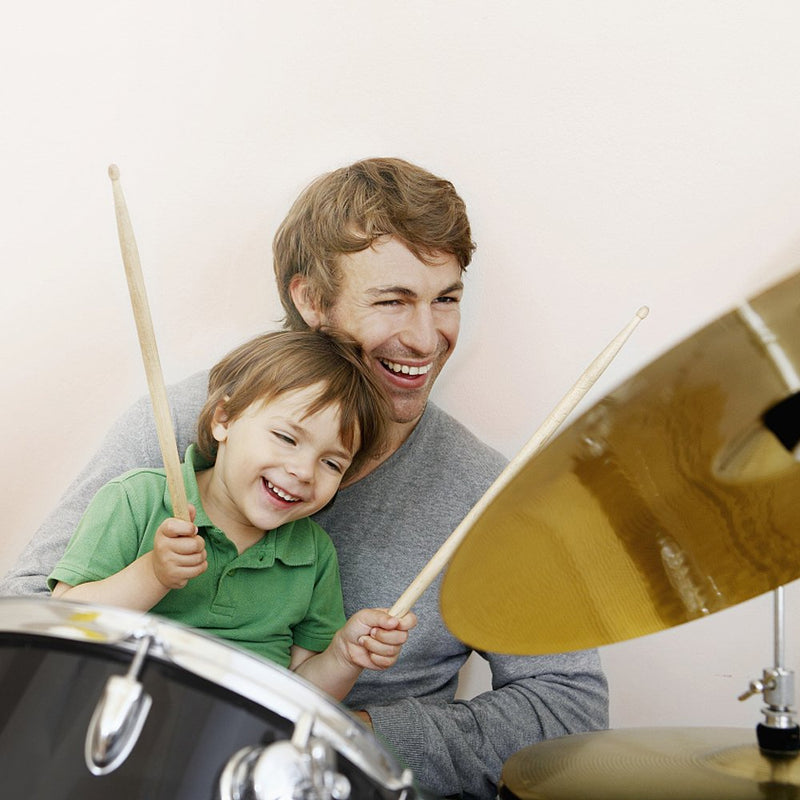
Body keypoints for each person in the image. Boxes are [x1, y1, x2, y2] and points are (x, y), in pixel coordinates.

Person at [2, 157, 609, 799]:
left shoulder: (488, 492)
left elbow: (568, 706)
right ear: (311, 300)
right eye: (393, 301)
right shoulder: (183, 419)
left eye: (446, 299)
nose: (427, 338)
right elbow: (26, 615)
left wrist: (348, 737)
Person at [48, 329, 416, 701]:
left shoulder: (314, 555)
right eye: (287, 438)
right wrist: (154, 573)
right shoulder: (137, 499)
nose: (304, 472)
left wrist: (344, 656)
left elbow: (303, 698)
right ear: (223, 419)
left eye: (332, 463)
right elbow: (62, 623)